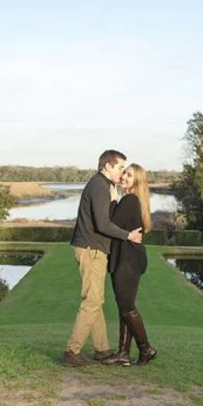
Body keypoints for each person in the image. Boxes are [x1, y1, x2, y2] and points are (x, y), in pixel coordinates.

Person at [62, 150, 143, 367]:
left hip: (94, 249)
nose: (121, 172)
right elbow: (102, 224)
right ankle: (72, 351)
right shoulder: (99, 187)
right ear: (107, 166)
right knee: (93, 300)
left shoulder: (103, 186)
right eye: (119, 168)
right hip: (91, 249)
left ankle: (102, 349)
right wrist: (128, 235)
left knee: (97, 299)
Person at [105, 164, 159, 366]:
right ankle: (123, 353)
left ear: (136, 181)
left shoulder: (129, 200)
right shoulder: (135, 201)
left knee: (127, 307)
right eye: (124, 173)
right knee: (123, 306)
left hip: (127, 261)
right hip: (129, 258)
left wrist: (111, 199)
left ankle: (146, 348)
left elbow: (110, 223)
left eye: (129, 175)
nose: (124, 177)